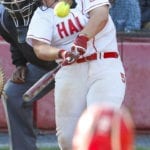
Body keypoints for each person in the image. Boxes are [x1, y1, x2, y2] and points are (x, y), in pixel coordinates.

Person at [26, 0, 126, 149]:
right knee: (68, 138)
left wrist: (82, 39)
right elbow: (40, 48)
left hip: (105, 65)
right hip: (70, 71)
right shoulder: (41, 15)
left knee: (100, 126)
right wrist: (61, 53)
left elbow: (101, 15)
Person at [0, 0, 58, 150]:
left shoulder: (52, 5)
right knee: (13, 93)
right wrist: (20, 64)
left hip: (75, 62)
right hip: (42, 65)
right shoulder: (4, 17)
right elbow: (15, 39)